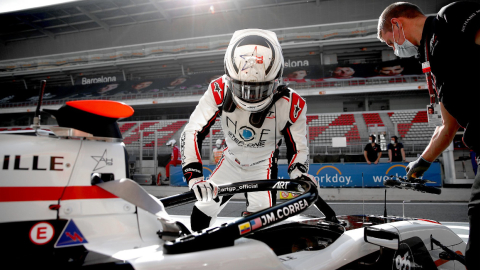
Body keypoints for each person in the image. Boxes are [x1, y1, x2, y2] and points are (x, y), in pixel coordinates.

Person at [377, 2, 480, 268]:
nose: (395, 49)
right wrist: (420, 164)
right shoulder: (432, 59)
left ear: (397, 24)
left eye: (390, 43)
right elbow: (447, 126)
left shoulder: (449, 17)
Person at [181, 29, 313, 231]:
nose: (251, 96)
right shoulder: (218, 89)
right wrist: (194, 176)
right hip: (230, 161)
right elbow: (193, 130)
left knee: (260, 224)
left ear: (277, 80)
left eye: (260, 89)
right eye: (242, 87)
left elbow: (298, 148)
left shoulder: (292, 103)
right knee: (201, 212)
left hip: (263, 166)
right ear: (228, 76)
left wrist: (299, 174)